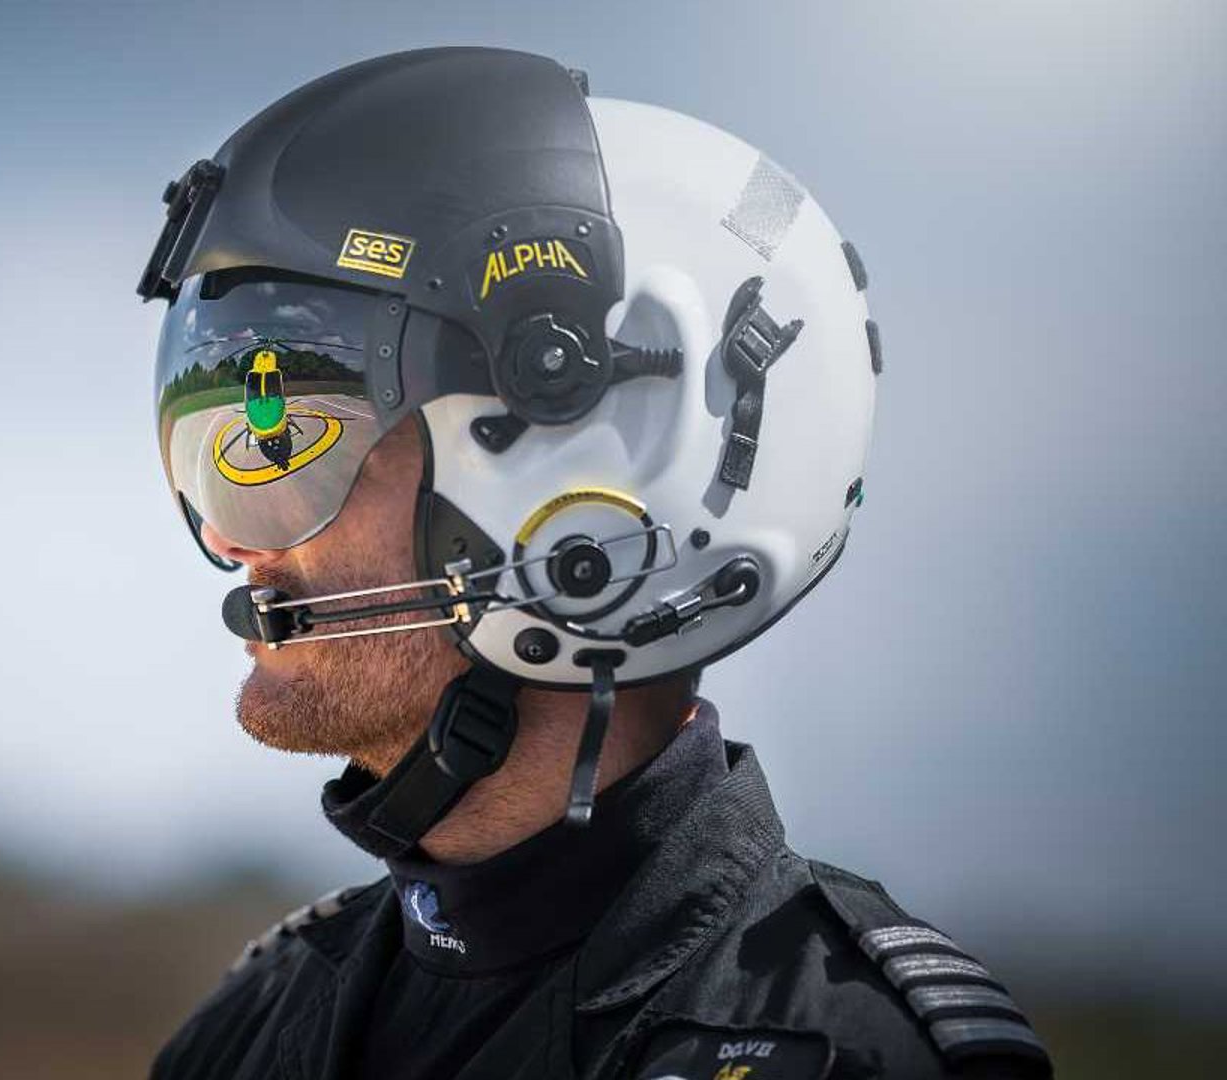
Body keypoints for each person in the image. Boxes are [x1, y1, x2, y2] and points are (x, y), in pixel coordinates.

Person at [136, 47, 1052, 1079]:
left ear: (590, 469)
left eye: (312, 449)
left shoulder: (842, 1053)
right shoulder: (250, 1031)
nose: (235, 540)